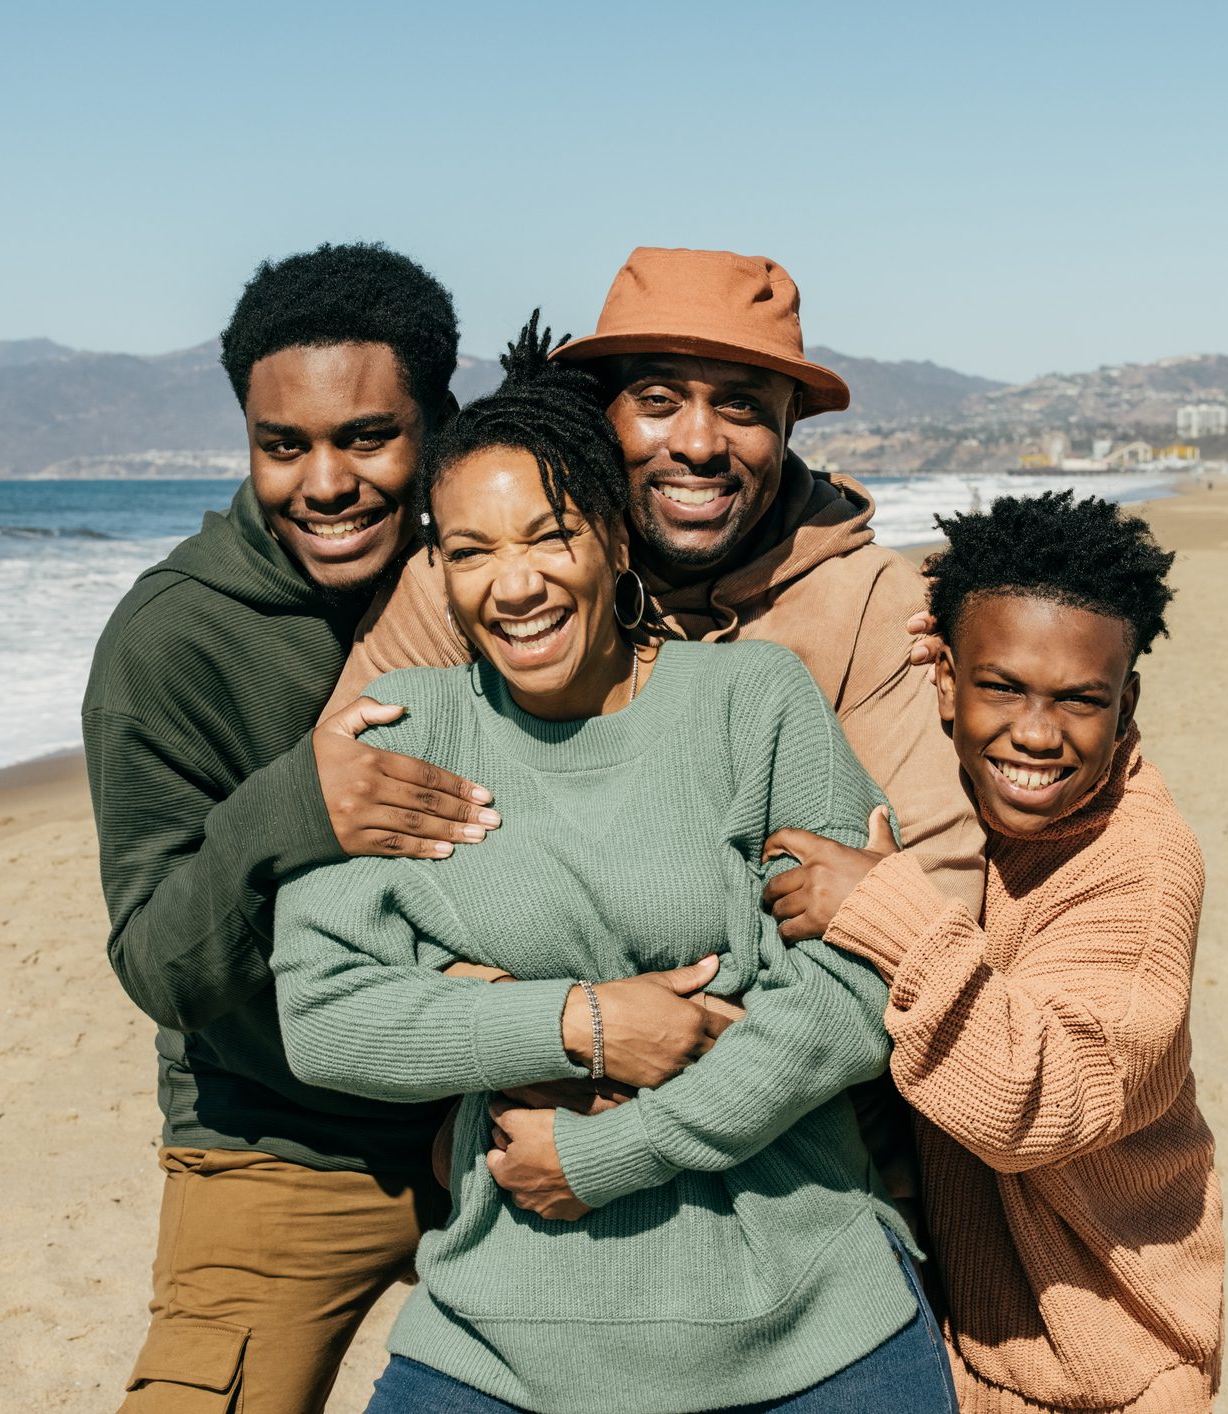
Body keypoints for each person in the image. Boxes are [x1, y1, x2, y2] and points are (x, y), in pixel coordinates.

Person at [270, 320, 959, 1413]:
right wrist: (579, 1022)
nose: (514, 585)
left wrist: (606, 1151)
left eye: (549, 536)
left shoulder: (753, 703)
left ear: (615, 541)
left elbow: (846, 998)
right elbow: (324, 1014)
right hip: (498, 1337)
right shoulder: (401, 734)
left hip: (809, 1324)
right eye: (470, 550)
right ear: (434, 568)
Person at [84, 244, 528, 1414]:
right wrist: (291, 814)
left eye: (368, 437)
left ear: (437, 425)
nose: (324, 481)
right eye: (284, 447)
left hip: (501, 1112)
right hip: (279, 1141)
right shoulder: (172, 638)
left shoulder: (510, 581)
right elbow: (156, 961)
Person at [326, 246, 984, 901]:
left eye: (742, 407)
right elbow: (345, 821)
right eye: (658, 398)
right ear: (600, 410)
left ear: (789, 423)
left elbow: (928, 887)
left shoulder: (872, 605)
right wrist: (530, 1001)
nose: (698, 444)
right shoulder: (485, 579)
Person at [761, 493, 1226, 1412]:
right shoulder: (952, 794)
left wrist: (885, 908)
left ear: (1125, 701)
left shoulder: (1140, 864)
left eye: (1081, 700)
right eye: (1002, 687)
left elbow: (1035, 1101)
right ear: (943, 680)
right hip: (969, 1347)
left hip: (1111, 1372)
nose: (1037, 734)